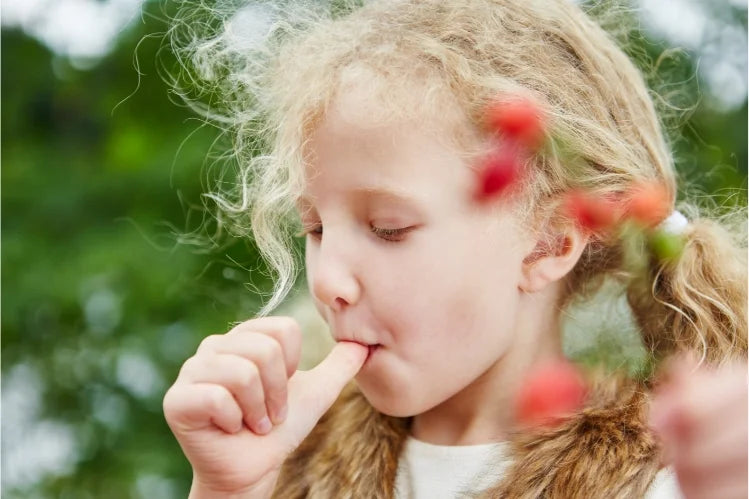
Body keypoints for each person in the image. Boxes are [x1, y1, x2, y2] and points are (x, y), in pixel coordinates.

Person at [161, 0, 748, 497]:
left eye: (388, 228)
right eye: (314, 228)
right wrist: (224, 490)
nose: (328, 280)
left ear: (548, 242)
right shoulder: (286, 460)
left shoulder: (673, 476)